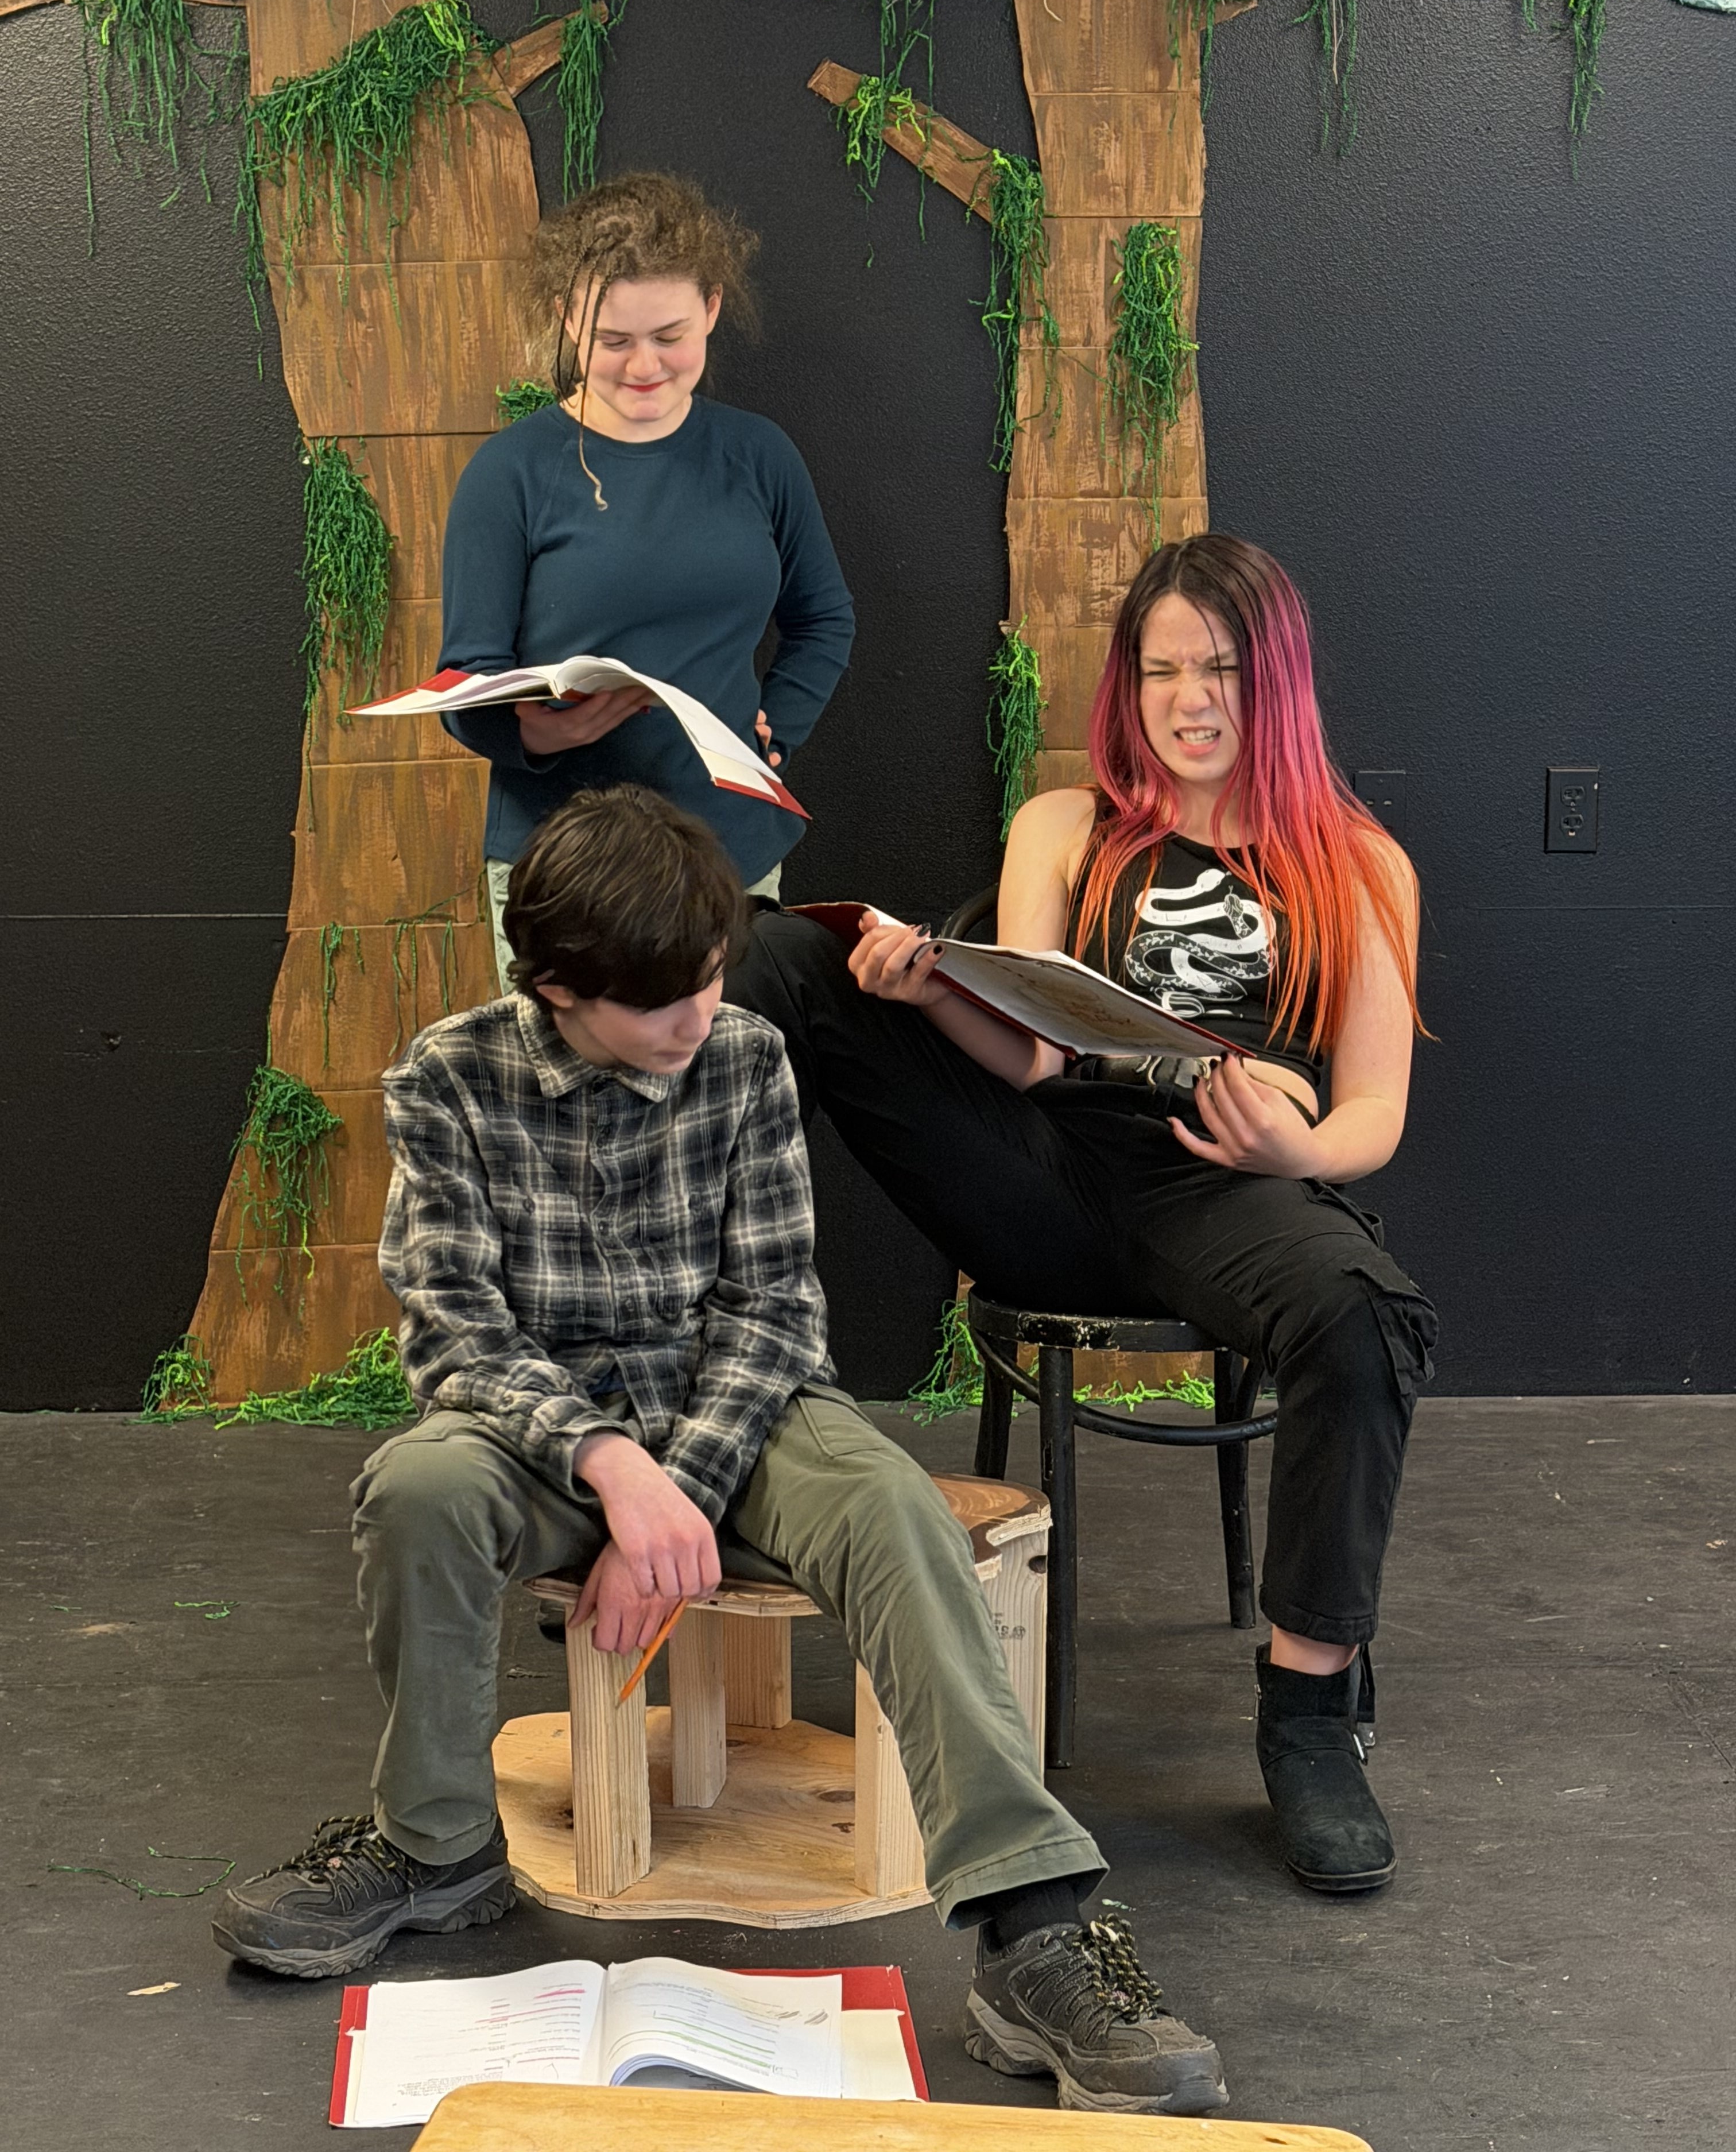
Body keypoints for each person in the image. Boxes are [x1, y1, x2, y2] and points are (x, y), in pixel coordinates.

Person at [210, 785, 1230, 2120]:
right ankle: (434, 1848)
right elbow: (455, 1336)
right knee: (417, 1485)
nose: (698, 1019)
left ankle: (1033, 1930)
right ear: (560, 986)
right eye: (662, 1003)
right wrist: (613, 1475)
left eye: (706, 981)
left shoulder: (745, 1053)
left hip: (741, 1415)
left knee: (888, 1508)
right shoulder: (448, 1079)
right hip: (548, 1432)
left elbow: (773, 1307)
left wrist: (678, 1488)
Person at [729, 532, 1439, 1896]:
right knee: (787, 952)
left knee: (1363, 1320)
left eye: (1220, 669)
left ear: (1273, 680)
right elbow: (1036, 1053)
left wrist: (1296, 1148)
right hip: (1042, 1164)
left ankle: (1310, 1718)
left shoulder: (1359, 865)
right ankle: (660, 1291)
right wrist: (935, 987)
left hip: (1228, 1183)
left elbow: (1374, 1117)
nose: (1189, 699)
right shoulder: (1068, 828)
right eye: (1163, 669)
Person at [437, 171, 855, 985]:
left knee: (728, 1090)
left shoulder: (759, 455)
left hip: (730, 846)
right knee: (570, 1102)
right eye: (612, 341)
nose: (643, 367)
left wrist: (780, 727)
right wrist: (535, 733)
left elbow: (824, 615)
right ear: (568, 321)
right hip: (564, 861)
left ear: (712, 309)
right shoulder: (510, 473)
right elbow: (465, 677)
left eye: (670, 336)